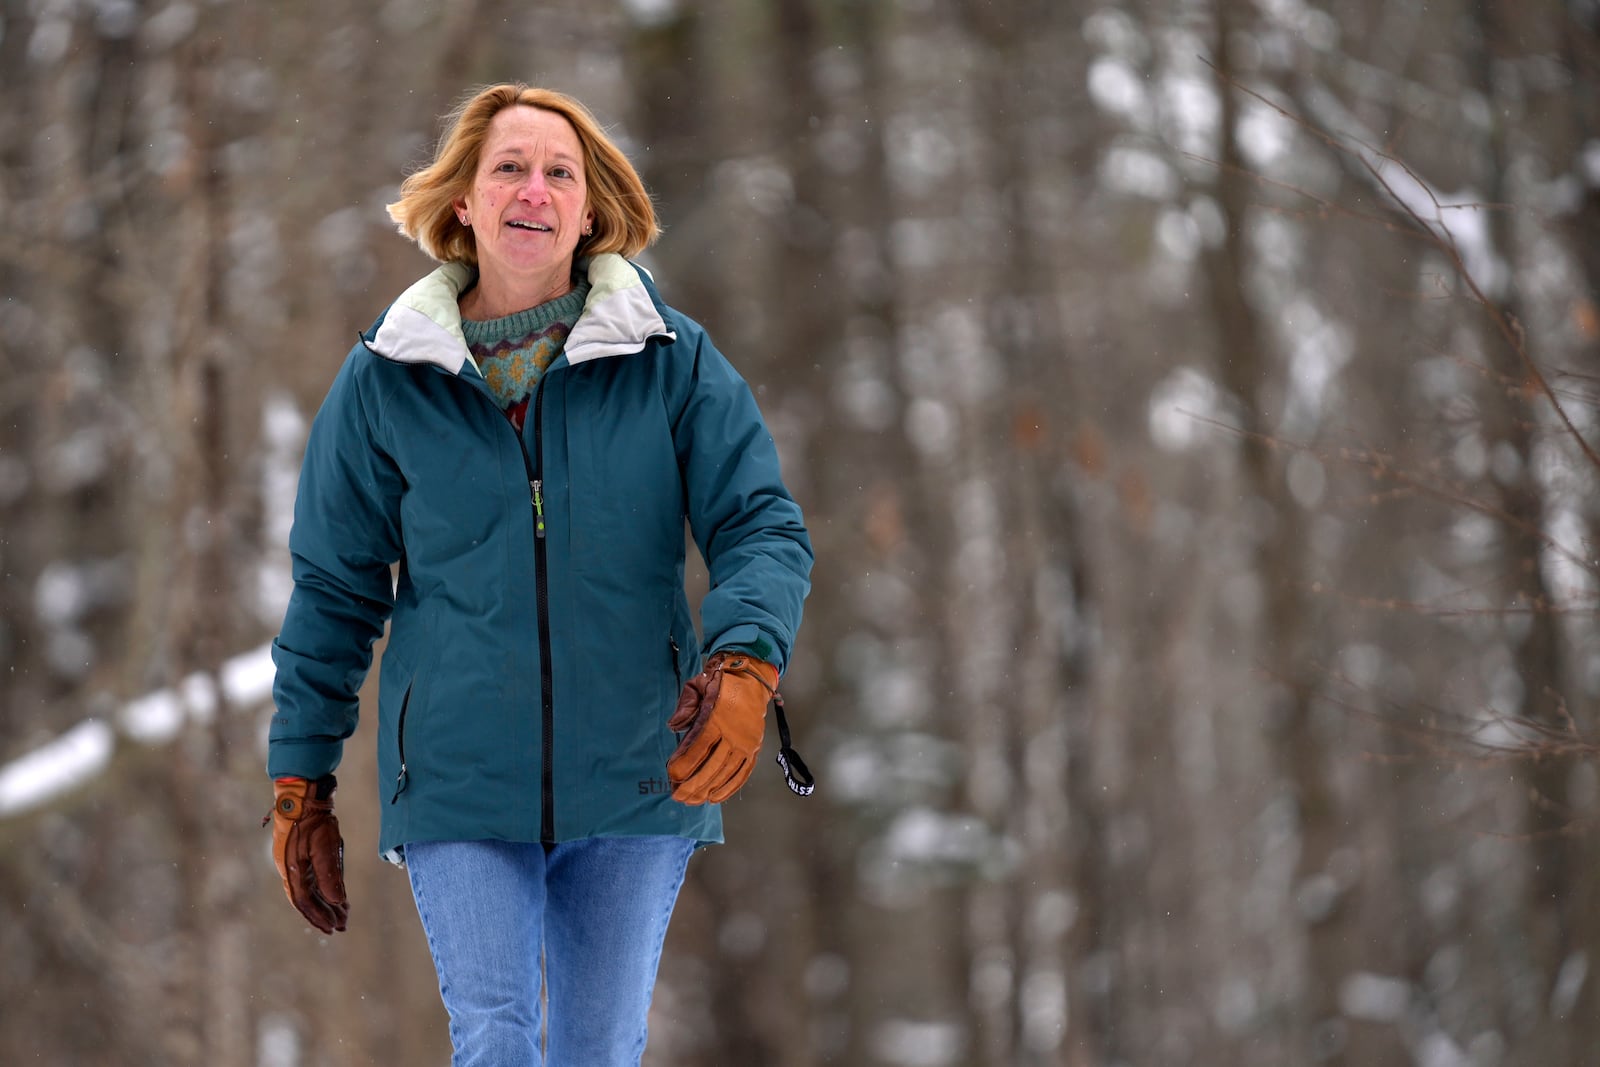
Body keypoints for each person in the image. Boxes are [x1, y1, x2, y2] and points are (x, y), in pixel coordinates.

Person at [264, 83, 813, 1066]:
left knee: (599, 1047)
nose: (534, 188)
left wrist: (745, 661)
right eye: (507, 168)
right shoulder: (386, 377)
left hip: (641, 762)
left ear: (591, 208)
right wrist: (299, 776)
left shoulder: (670, 362)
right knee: (498, 1040)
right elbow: (335, 592)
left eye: (559, 171)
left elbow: (759, 521)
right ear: (463, 204)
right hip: (459, 772)